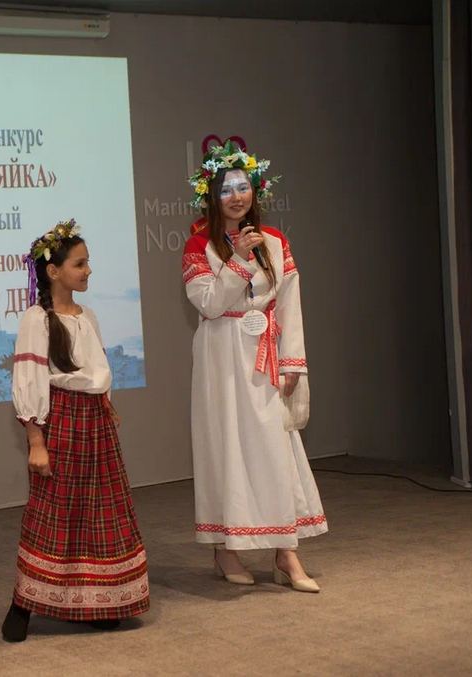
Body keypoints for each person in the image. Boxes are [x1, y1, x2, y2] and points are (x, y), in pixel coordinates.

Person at [182, 139, 327, 592]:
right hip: (221, 355)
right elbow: (209, 303)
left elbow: (289, 303)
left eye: (243, 187)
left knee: (274, 445)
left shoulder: (276, 241)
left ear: (256, 190)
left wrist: (293, 362)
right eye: (226, 189)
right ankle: (226, 548)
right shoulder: (199, 245)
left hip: (264, 352)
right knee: (225, 444)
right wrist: (239, 260)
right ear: (212, 195)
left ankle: (286, 551)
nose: (236, 197)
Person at [2, 220, 150, 642]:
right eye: (79, 264)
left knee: (98, 509)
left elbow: (97, 370)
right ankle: (24, 603)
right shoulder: (37, 319)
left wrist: (106, 405)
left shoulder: (89, 316)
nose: (88, 271)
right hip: (61, 419)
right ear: (54, 271)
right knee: (53, 510)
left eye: (88, 263)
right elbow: (30, 378)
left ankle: (91, 600)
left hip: (95, 421)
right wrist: (36, 441)